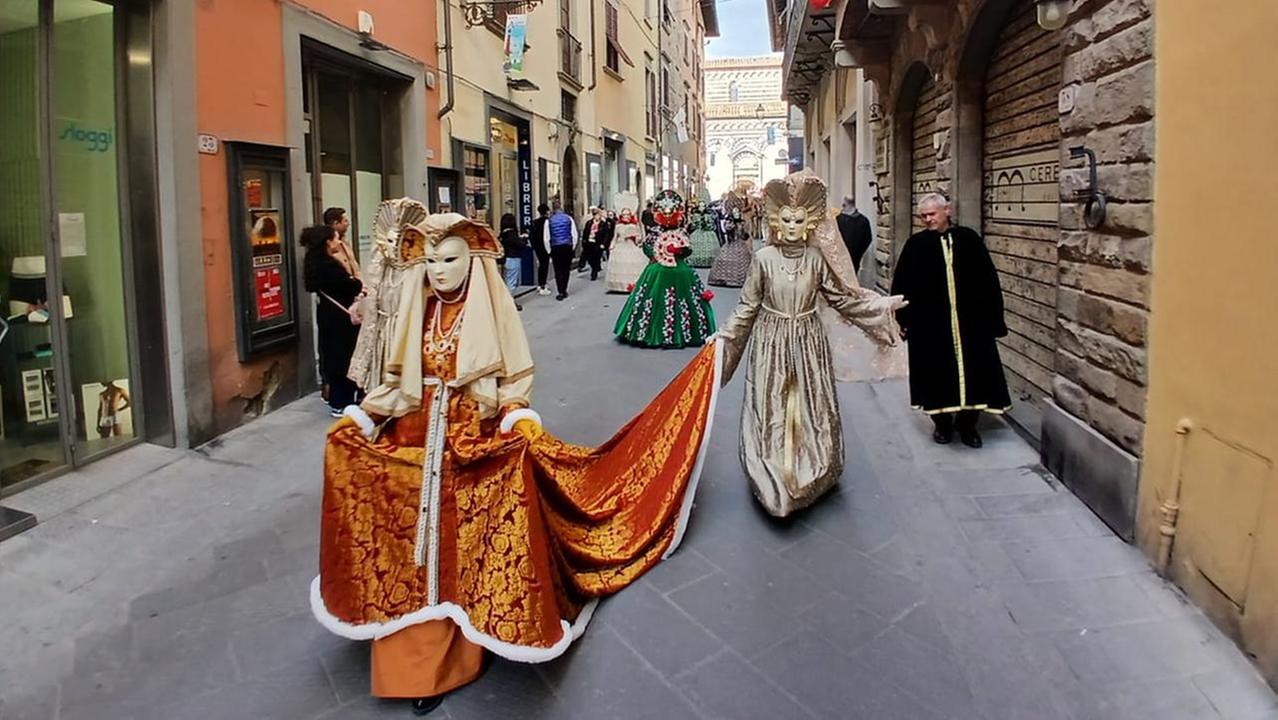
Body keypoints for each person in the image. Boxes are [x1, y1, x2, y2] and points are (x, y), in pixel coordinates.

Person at [313, 211, 723, 716]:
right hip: (415, 447)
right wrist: (364, 417)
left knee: (467, 550)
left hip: (474, 452)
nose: (440, 271)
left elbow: (510, 381)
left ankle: (460, 644)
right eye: (433, 261)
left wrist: (516, 417)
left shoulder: (489, 309)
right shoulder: (415, 311)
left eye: (451, 260)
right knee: (412, 550)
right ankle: (413, 656)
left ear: (472, 259)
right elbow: (398, 383)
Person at [713, 171, 906, 517]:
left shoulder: (817, 261)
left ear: (809, 223)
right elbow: (746, 308)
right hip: (770, 342)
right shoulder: (763, 261)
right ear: (776, 220)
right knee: (770, 406)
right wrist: (722, 344)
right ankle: (771, 476)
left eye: (798, 220)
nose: (790, 226)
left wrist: (881, 305)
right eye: (785, 219)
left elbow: (843, 300)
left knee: (809, 407)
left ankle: (813, 470)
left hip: (808, 342)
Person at [890, 192, 1011, 448]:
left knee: (975, 374)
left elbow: (988, 280)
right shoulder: (915, 245)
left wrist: (993, 320)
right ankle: (942, 426)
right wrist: (903, 319)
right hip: (930, 327)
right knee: (935, 376)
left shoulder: (969, 240)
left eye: (932, 214)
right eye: (923, 216)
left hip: (971, 325)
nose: (927, 220)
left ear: (948, 211)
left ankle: (968, 426)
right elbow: (902, 285)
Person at [614, 190, 716, 348]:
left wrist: (679, 251)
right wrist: (657, 254)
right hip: (658, 268)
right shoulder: (655, 232)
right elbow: (647, 248)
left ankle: (685, 331)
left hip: (680, 269)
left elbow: (688, 249)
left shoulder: (681, 232)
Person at [301, 224, 364, 417]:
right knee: (343, 356)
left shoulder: (313, 261)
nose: (338, 241)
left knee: (333, 354)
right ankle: (342, 401)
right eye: (335, 238)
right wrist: (353, 279)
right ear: (327, 242)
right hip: (340, 317)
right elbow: (352, 285)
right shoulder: (328, 264)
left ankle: (339, 399)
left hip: (327, 314)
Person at [707, 196, 752, 288]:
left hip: (740, 245)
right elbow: (727, 231)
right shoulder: (729, 221)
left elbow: (745, 235)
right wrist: (731, 226)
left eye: (737, 211)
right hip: (731, 244)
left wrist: (741, 227)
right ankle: (723, 278)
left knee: (743, 261)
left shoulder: (742, 222)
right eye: (734, 211)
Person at [604, 207, 647, 293]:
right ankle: (620, 286)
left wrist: (635, 238)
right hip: (620, 246)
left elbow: (639, 237)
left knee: (631, 266)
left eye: (628, 214)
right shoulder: (618, 226)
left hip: (631, 246)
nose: (626, 216)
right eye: (624, 214)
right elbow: (615, 237)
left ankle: (632, 285)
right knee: (621, 266)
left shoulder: (634, 225)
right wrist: (612, 246)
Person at [546, 202, 579, 300]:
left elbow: (546, 237)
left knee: (558, 269)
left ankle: (560, 290)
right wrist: (572, 246)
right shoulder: (569, 218)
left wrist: (549, 250)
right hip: (567, 246)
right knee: (566, 269)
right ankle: (564, 289)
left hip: (555, 247)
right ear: (562, 208)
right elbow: (574, 234)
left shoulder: (549, 220)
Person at [496, 213, 526, 311]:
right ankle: (508, 303)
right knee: (512, 282)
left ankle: (508, 301)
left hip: (506, 260)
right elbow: (520, 244)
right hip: (513, 259)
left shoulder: (503, 234)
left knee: (508, 280)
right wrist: (525, 238)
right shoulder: (511, 234)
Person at [836, 195, 873, 273]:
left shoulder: (838, 220)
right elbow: (868, 239)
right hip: (855, 257)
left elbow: (834, 238)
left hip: (843, 258)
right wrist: (859, 252)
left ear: (844, 204)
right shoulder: (864, 220)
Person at [579, 207, 611, 281]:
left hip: (598, 243)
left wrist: (604, 243)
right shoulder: (589, 223)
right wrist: (584, 241)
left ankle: (594, 272)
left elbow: (606, 234)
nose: (597, 216)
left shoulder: (603, 224)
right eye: (595, 215)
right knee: (590, 258)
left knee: (596, 257)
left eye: (598, 215)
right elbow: (585, 232)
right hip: (589, 242)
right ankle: (594, 267)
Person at [686, 198, 719, 268]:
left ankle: (709, 260)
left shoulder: (709, 215)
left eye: (703, 206)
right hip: (697, 232)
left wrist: (706, 225)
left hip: (707, 233)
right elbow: (693, 225)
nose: (702, 208)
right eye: (700, 206)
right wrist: (695, 225)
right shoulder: (695, 215)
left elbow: (712, 225)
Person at [530, 203, 552, 296]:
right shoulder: (548, 222)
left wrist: (534, 246)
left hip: (538, 247)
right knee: (545, 265)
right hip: (545, 246)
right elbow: (548, 236)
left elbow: (531, 236)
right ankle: (543, 284)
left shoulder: (534, 222)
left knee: (541, 265)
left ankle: (540, 283)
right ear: (547, 211)